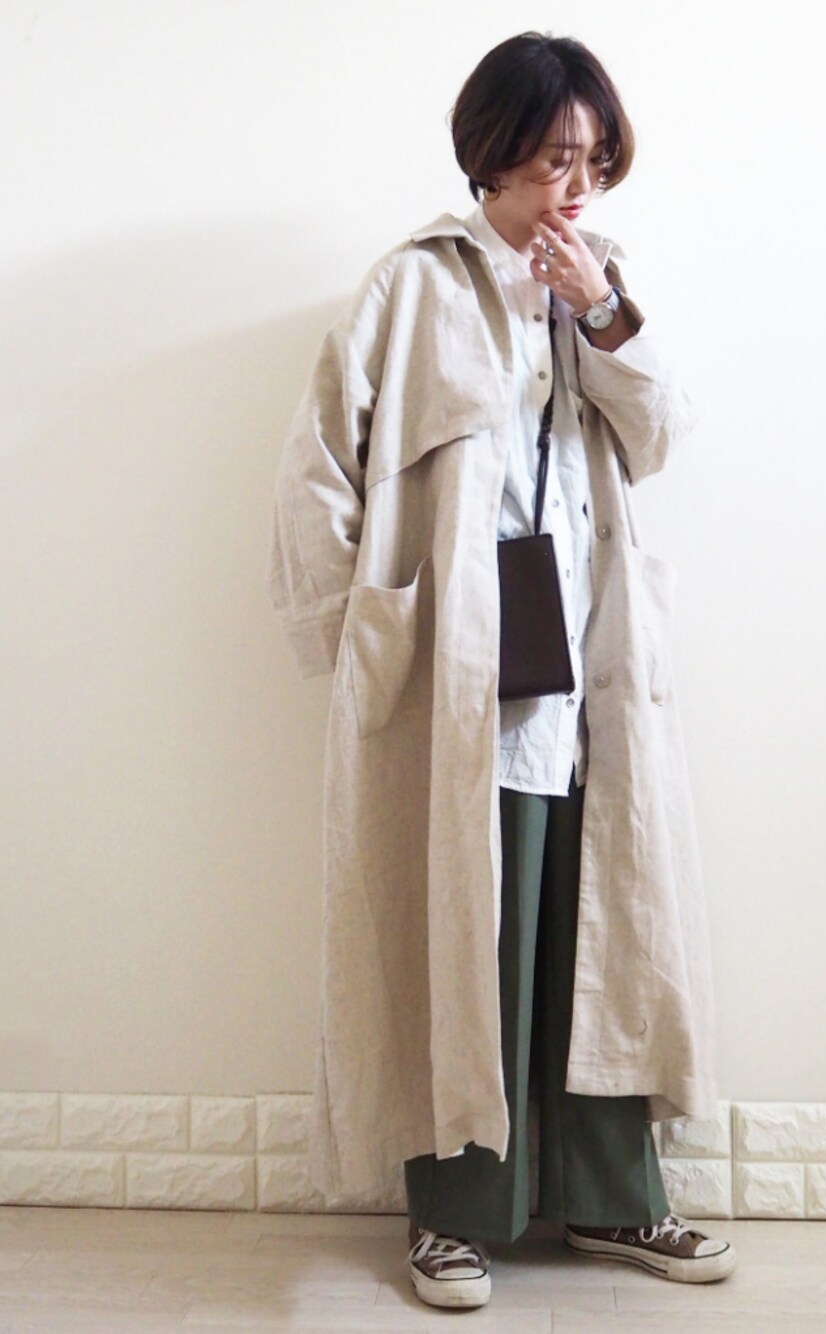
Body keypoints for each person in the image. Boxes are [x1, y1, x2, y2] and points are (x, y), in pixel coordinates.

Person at [265, 30, 735, 1311]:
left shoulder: (605, 282)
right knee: (465, 933)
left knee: (604, 927)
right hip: (458, 672)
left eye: (590, 161)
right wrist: (354, 641)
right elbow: (317, 469)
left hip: (588, 668)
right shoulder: (412, 286)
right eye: (547, 160)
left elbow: (660, 436)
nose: (569, 188)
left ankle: (615, 1197)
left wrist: (598, 310)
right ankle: (454, 1216)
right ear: (490, 155)